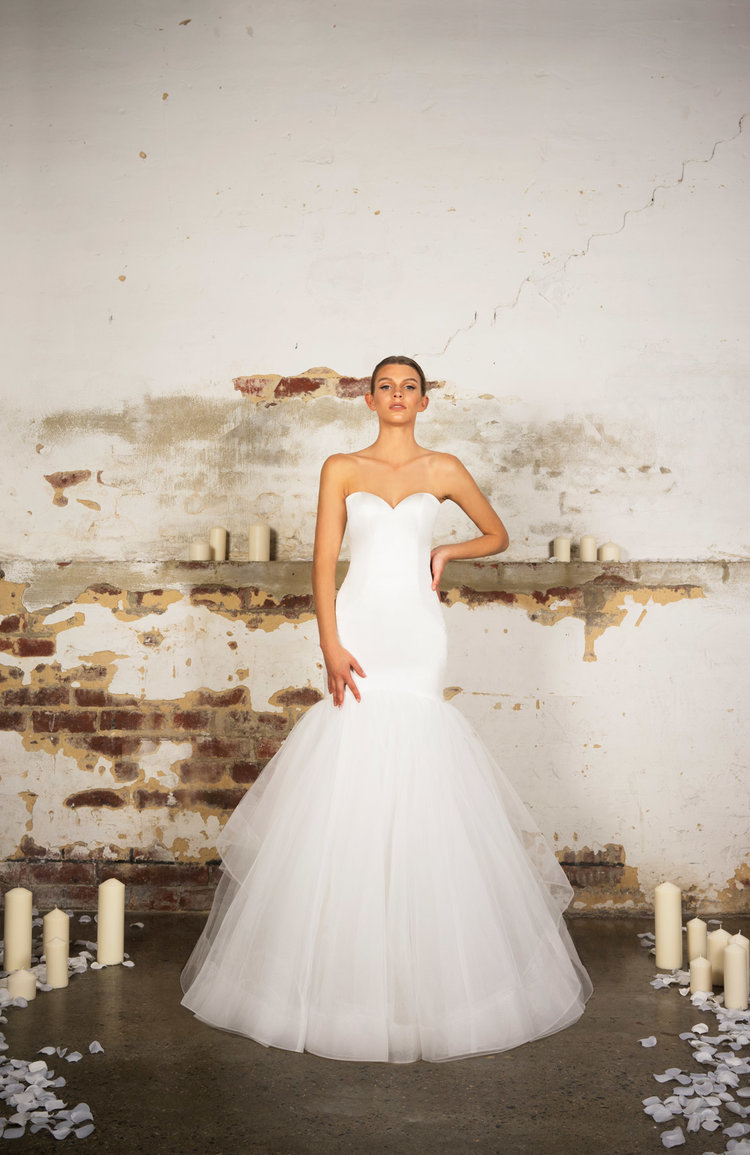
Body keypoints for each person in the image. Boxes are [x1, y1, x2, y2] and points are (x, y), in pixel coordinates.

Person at [181, 355, 592, 1063]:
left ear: (424, 401)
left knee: (423, 764)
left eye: (409, 387)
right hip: (362, 626)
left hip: (418, 635)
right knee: (352, 764)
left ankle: (427, 980)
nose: (397, 395)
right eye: (386, 386)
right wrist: (330, 644)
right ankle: (343, 979)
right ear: (369, 399)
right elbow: (323, 564)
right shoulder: (342, 467)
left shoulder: (444, 467)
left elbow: (497, 534)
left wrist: (448, 552)